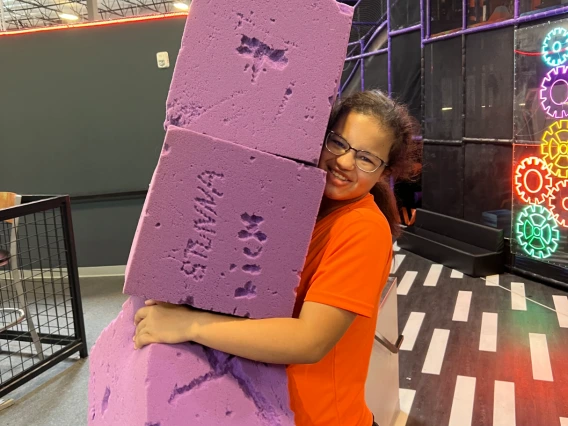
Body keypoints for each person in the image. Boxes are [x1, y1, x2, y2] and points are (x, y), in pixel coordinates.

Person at [133, 90, 420, 426]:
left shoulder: (364, 228)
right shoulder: (302, 205)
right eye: (338, 143)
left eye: (366, 158)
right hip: (271, 407)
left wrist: (189, 324)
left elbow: (309, 341)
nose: (344, 162)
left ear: (384, 171)